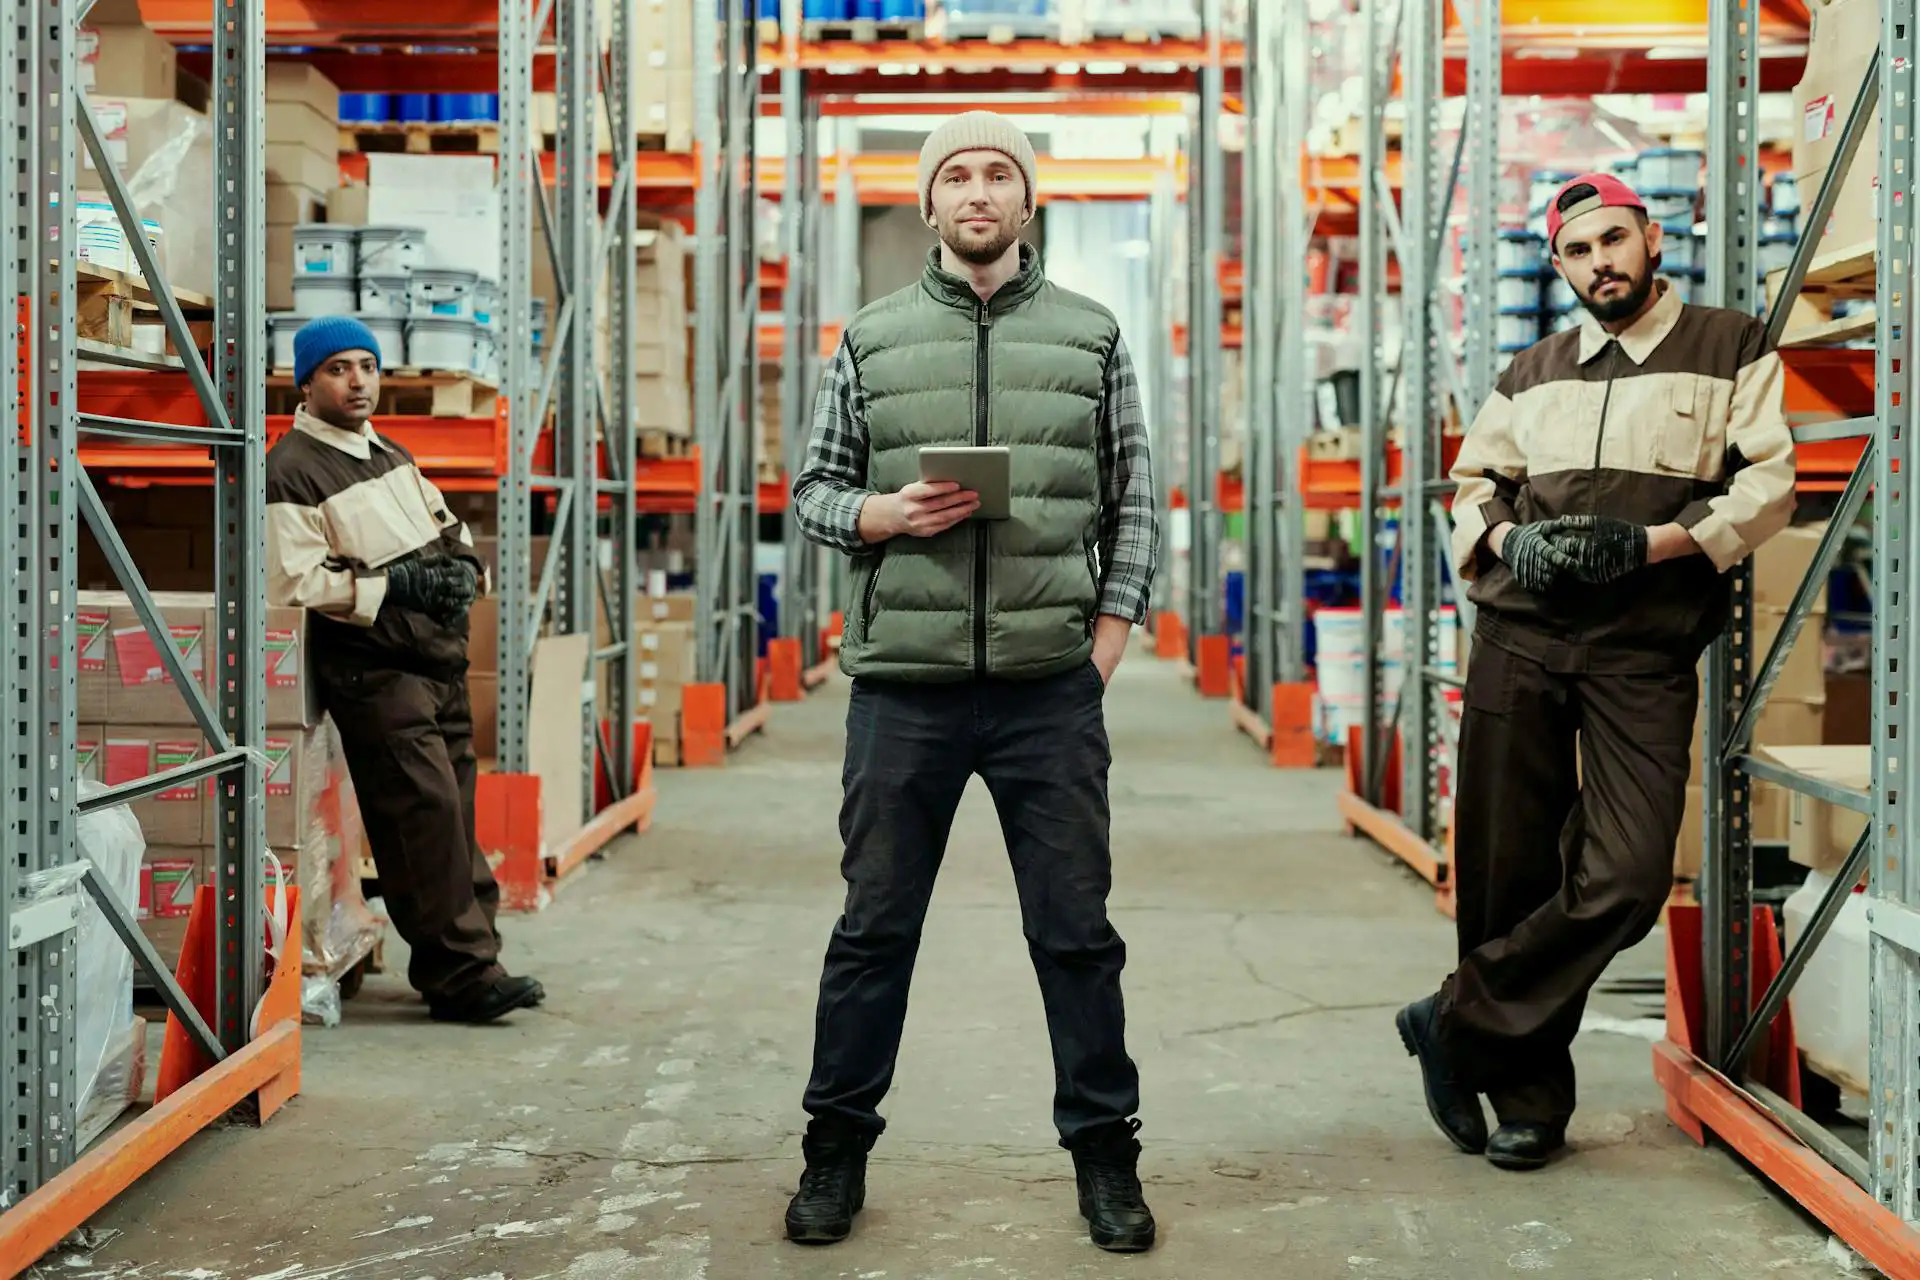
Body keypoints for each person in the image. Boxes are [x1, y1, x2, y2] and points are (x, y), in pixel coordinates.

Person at [783, 110, 1160, 1252]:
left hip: (1050, 690)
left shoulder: (1093, 336)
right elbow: (811, 490)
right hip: (905, 687)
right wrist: (880, 514)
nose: (980, 191)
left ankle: (1107, 1160)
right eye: (958, 174)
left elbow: (1135, 498)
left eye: (1001, 173)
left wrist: (1105, 644)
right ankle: (833, 1154)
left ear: (1028, 199)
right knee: (873, 932)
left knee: (1076, 934)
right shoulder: (871, 339)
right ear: (927, 201)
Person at [1396, 173, 1797, 1170]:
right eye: (1576, 251)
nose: (1597, 263)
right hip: (1520, 638)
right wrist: (1505, 542)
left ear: (1652, 238)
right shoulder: (1531, 370)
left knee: (1623, 874)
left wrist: (1653, 545)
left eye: (1612, 240)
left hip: (1641, 647)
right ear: (1560, 264)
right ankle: (1528, 1098)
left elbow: (1769, 484)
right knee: (1506, 867)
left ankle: (1454, 1023)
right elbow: (1474, 481)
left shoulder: (1728, 346)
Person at [265, 316, 544, 1025]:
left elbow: (446, 525)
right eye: (338, 368)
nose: (358, 380)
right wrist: (393, 588)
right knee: (421, 819)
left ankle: (477, 954)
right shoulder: (292, 466)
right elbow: (294, 583)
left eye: (367, 365)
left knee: (453, 810)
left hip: (434, 660)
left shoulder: (387, 450)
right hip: (375, 669)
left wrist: (461, 571)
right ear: (307, 381)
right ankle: (459, 978)